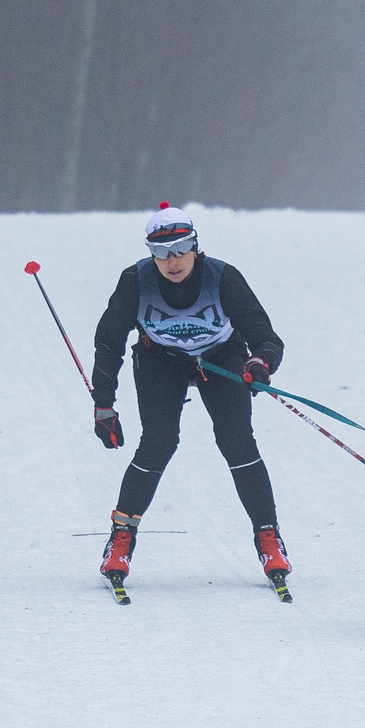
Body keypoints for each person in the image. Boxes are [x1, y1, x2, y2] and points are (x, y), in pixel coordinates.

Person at [90, 204, 289, 592]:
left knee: (237, 440)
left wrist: (260, 363)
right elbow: (109, 342)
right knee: (158, 442)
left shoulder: (223, 278)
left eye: (181, 248)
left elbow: (267, 338)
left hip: (221, 357)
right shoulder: (135, 281)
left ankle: (268, 537)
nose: (172, 261)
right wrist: (104, 405)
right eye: (161, 252)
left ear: (196, 246)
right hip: (160, 360)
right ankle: (121, 538)